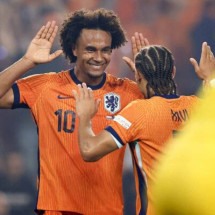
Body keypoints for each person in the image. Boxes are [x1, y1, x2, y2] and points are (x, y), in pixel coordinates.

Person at [0, 8, 145, 215]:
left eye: (105, 50)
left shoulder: (126, 92)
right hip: (56, 209)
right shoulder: (47, 87)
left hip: (107, 210)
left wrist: (148, 77)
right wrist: (26, 62)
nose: (99, 57)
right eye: (90, 49)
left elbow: (164, 110)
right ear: (74, 49)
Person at [72, 42, 214, 215]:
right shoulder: (197, 106)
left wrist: (85, 117)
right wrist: (209, 79)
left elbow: (89, 150)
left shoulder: (138, 112)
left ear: (138, 76)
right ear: (173, 72)